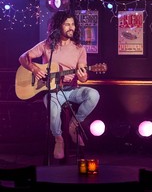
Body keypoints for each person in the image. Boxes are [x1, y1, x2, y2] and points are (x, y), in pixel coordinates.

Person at [18, 10, 100, 159]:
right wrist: (34, 68)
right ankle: (58, 139)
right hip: (52, 91)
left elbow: (83, 76)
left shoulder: (79, 48)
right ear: (58, 26)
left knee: (93, 95)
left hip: (72, 89)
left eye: (73, 24)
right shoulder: (47, 45)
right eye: (67, 24)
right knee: (52, 106)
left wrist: (83, 76)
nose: (71, 27)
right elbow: (23, 58)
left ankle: (74, 125)